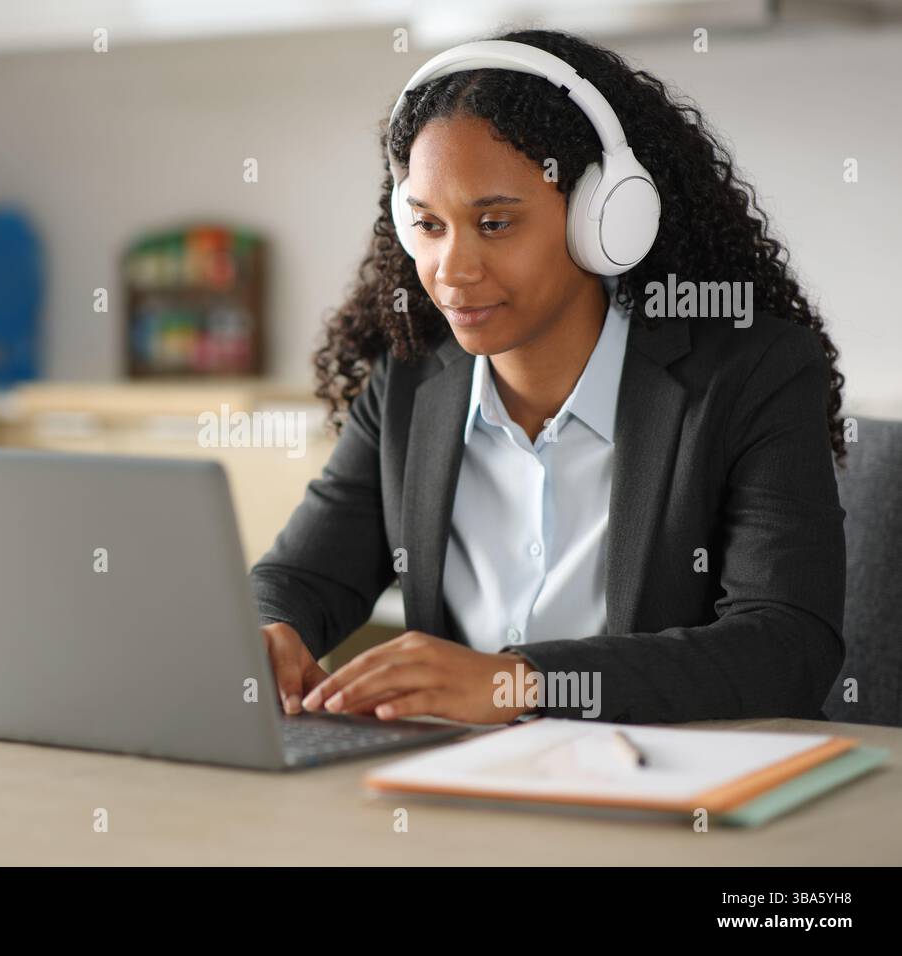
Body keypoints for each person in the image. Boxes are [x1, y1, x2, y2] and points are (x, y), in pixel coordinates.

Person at [251, 28, 847, 726]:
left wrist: (523, 682)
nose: (451, 270)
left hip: (674, 782)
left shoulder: (752, 373)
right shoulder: (409, 382)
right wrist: (268, 631)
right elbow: (301, 577)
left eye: (494, 223)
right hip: (460, 780)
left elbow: (786, 647)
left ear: (605, 218)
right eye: (429, 226)